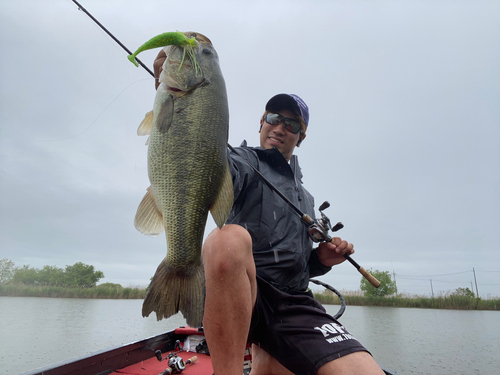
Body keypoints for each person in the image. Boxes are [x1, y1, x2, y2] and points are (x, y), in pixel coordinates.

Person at [153, 52, 384, 375]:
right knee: (227, 239)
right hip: (245, 295)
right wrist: (176, 105)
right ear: (261, 122)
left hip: (294, 302)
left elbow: (301, 267)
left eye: (292, 124)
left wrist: (322, 260)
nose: (280, 126)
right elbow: (201, 157)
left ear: (301, 137)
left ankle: (268, 353)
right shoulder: (239, 161)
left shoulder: (307, 198)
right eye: (274, 116)